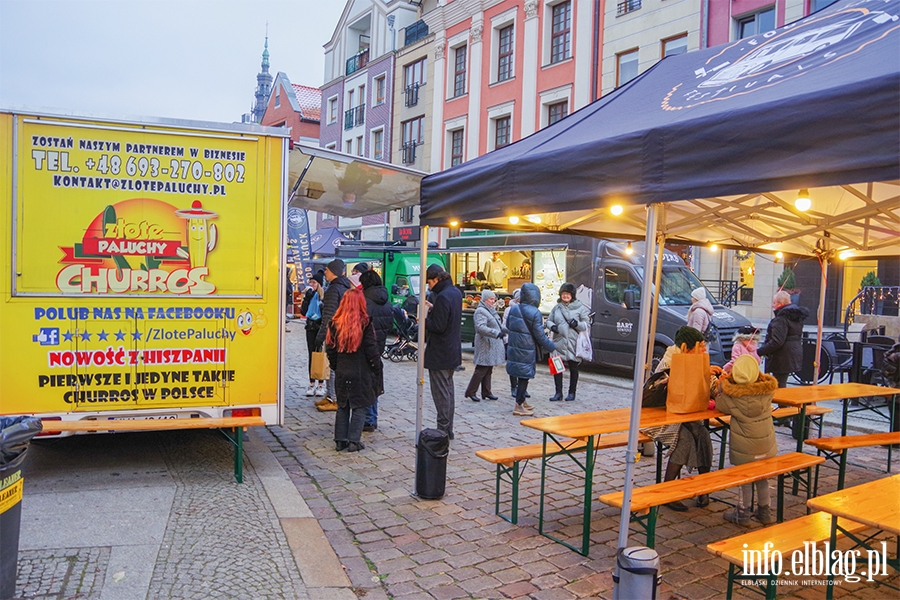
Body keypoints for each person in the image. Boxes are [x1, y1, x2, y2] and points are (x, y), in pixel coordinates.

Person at [644, 326, 714, 512]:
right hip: (659, 417)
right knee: (685, 440)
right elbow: (657, 394)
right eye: (701, 347)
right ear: (687, 347)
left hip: (686, 415)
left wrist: (709, 374)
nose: (704, 350)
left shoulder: (696, 362)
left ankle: (703, 488)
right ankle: (668, 491)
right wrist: (672, 377)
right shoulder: (670, 361)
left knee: (703, 434)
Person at [715, 354, 779, 525]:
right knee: (762, 477)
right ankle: (765, 512)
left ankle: (743, 513)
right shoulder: (767, 392)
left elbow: (719, 403)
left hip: (745, 449)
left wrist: (722, 384)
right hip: (766, 446)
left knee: (746, 479)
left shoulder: (732, 397)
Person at [325, 289, 383, 453]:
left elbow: (330, 349)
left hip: (343, 370)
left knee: (343, 405)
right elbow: (371, 349)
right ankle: (354, 441)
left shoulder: (334, 324)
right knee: (359, 406)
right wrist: (376, 367)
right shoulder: (364, 323)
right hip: (360, 371)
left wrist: (336, 366)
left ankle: (340, 440)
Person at [423, 264, 463, 439]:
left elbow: (438, 326)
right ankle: (448, 428)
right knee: (448, 391)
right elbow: (447, 316)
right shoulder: (454, 293)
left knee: (441, 394)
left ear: (437, 279)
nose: (429, 286)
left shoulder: (443, 297)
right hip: (452, 350)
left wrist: (423, 319)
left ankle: (443, 429)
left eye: (429, 282)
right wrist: (434, 309)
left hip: (440, 352)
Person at [505, 283, 556, 416]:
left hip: (515, 346)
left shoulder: (514, 309)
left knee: (521, 374)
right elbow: (539, 335)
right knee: (524, 376)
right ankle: (519, 404)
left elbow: (508, 325)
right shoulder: (535, 312)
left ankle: (522, 401)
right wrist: (551, 346)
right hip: (527, 348)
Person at [315, 259, 353, 411]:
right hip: (345, 332)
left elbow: (328, 316)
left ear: (334, 272)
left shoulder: (333, 289)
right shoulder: (345, 288)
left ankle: (334, 398)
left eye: (327, 270)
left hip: (334, 334)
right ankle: (331, 396)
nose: (325, 273)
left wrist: (321, 335)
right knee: (336, 367)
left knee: (332, 367)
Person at [360, 270, 393, 432]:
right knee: (374, 381)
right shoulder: (386, 301)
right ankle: (372, 417)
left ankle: (368, 419)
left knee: (365, 384)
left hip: (365, 346)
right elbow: (390, 325)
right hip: (379, 346)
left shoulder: (364, 301)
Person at [546, 282, 591, 402]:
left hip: (573, 343)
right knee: (557, 368)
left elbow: (586, 324)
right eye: (564, 294)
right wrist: (552, 327)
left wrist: (577, 324)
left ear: (572, 295)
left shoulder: (580, 308)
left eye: (568, 294)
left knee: (573, 368)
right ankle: (558, 393)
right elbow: (549, 320)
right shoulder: (556, 307)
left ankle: (572, 393)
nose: (565, 296)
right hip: (558, 342)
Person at [757, 291, 809, 388]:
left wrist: (759, 351)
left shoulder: (781, 319)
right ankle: (782, 403)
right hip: (791, 354)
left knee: (779, 386)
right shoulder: (796, 316)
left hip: (782, 357)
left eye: (774, 303)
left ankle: (783, 403)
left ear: (780, 304)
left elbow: (776, 342)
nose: (772, 306)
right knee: (780, 384)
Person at [464, 290, 506, 402]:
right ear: (485, 300)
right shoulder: (481, 311)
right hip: (485, 344)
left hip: (491, 344)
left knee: (488, 368)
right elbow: (480, 327)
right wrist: (496, 333)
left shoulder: (490, 310)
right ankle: (471, 391)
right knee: (481, 368)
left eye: (494, 299)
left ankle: (486, 391)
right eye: (491, 299)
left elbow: (497, 325)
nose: (493, 301)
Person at [299, 271, 326, 398]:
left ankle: (321, 384)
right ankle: (311, 383)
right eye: (310, 282)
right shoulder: (309, 295)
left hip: (320, 327)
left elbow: (326, 312)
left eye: (314, 282)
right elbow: (303, 312)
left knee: (320, 355)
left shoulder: (324, 296)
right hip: (310, 327)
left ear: (319, 284)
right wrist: (307, 298)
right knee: (311, 354)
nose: (311, 285)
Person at [502, 289, 530, 399]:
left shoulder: (527, 309)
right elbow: (504, 326)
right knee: (513, 364)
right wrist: (515, 330)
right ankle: (514, 387)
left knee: (523, 365)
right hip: (512, 339)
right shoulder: (509, 310)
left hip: (524, 341)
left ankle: (523, 388)